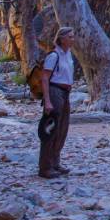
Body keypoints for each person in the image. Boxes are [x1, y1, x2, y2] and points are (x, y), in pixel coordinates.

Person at [38, 27, 75, 179]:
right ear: (62, 38)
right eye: (70, 37)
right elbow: (45, 78)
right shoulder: (53, 56)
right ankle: (45, 167)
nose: (73, 39)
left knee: (62, 129)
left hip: (65, 93)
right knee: (50, 129)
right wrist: (47, 101)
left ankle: (55, 162)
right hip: (55, 92)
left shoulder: (68, 54)